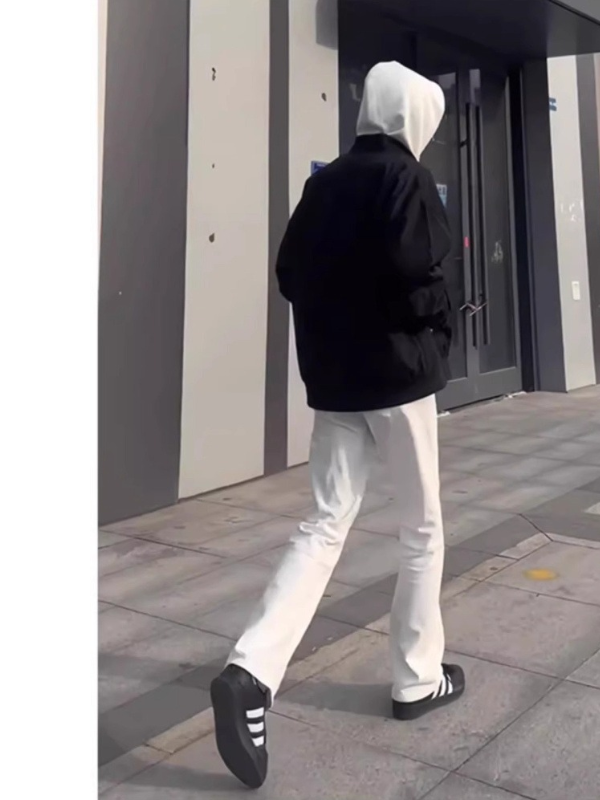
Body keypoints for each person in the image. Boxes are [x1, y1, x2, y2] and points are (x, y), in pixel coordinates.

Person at [209, 61, 464, 790]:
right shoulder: (407, 178)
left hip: (336, 382)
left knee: (323, 524)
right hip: (398, 380)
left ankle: (250, 673)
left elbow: (291, 276)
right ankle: (417, 677)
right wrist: (440, 324)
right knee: (421, 530)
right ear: (412, 115)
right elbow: (419, 276)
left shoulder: (322, 184)